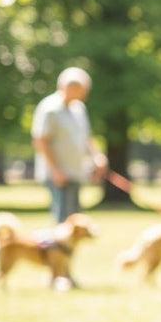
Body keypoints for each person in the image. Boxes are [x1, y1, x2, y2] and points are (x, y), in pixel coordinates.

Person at [31, 66, 108, 223]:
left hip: (75, 171)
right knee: (63, 220)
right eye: (82, 89)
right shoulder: (50, 108)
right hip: (57, 174)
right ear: (69, 87)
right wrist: (56, 171)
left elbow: (86, 137)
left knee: (75, 219)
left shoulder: (78, 108)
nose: (85, 93)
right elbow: (41, 141)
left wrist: (97, 156)